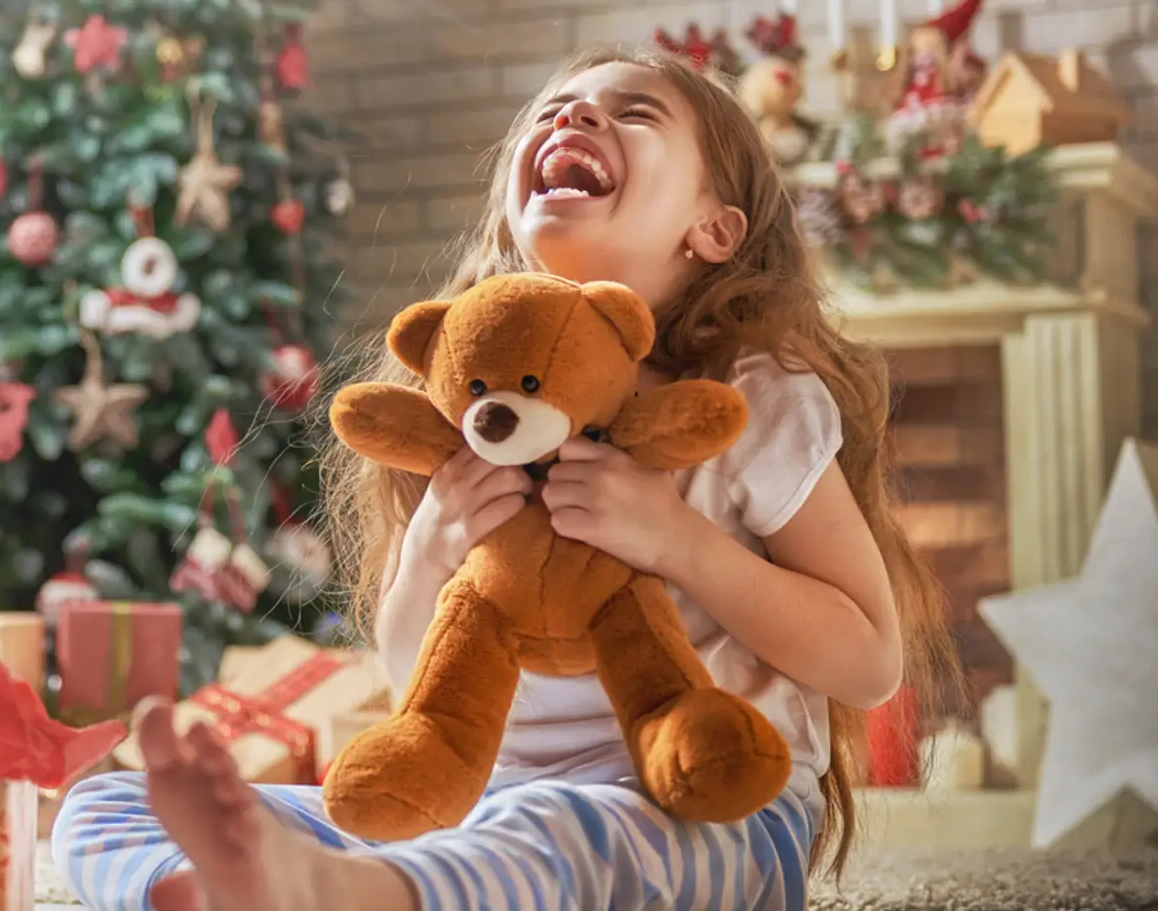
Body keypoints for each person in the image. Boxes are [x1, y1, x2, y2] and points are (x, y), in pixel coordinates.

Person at [52, 44, 956, 911]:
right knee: (96, 806)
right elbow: (418, 676)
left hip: (701, 810)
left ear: (713, 230)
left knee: (555, 830)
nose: (577, 113)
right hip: (487, 805)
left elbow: (869, 660)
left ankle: (361, 896)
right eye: (555, 109)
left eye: (634, 112)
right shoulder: (469, 417)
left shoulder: (748, 397)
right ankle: (233, 890)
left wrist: (676, 540)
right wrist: (429, 554)